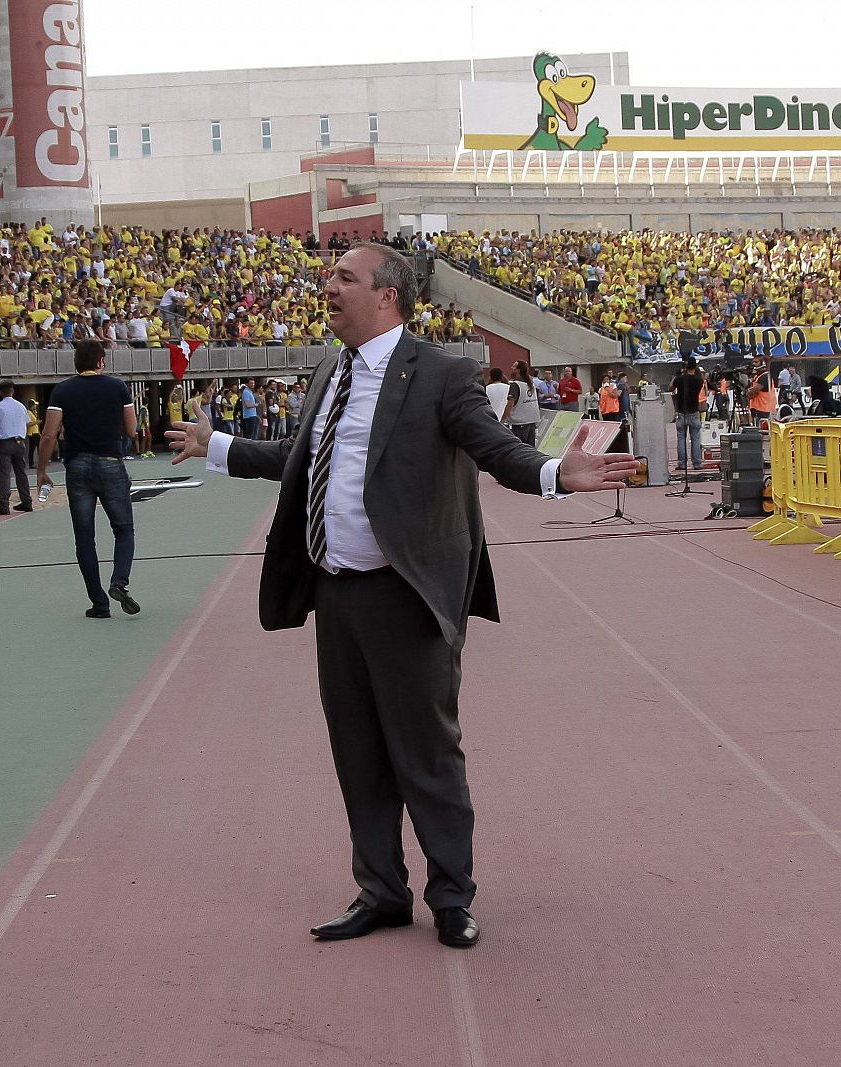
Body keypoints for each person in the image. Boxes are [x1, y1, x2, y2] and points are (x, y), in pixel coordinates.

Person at [165, 243, 634, 949]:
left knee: (428, 755)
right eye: (330, 278)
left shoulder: (441, 374)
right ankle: (381, 891)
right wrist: (218, 445)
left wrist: (552, 473)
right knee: (358, 752)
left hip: (406, 597)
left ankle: (451, 898)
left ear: (387, 296)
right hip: (338, 594)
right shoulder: (331, 369)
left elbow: (494, 449)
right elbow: (301, 458)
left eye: (342, 278)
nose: (328, 287)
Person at [38, 340, 141, 619]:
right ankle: (119, 582)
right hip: (110, 462)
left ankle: (99, 604)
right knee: (123, 529)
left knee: (85, 537)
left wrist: (42, 470)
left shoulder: (62, 391)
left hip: (78, 465)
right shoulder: (117, 387)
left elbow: (49, 435)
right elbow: (132, 429)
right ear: (100, 362)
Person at [0, 379, 33, 515]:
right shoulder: (21, 406)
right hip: (20, 442)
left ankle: (4, 505)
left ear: (0, 392)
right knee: (21, 473)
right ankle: (26, 501)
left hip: (5, 442)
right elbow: (27, 422)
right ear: (13, 391)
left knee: (4, 474)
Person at [670, 358, 705, 470]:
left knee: (681, 438)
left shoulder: (680, 379)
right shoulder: (699, 380)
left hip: (681, 412)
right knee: (695, 438)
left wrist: (676, 376)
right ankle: (697, 463)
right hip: (694, 411)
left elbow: (671, 387)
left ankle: (682, 463)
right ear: (695, 367)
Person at [507, 361, 541, 446]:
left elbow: (510, 405)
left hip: (519, 423)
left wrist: (503, 418)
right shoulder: (531, 384)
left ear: (518, 370)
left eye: (513, 367)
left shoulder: (515, 385)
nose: (511, 368)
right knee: (530, 449)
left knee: (519, 449)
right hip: (532, 421)